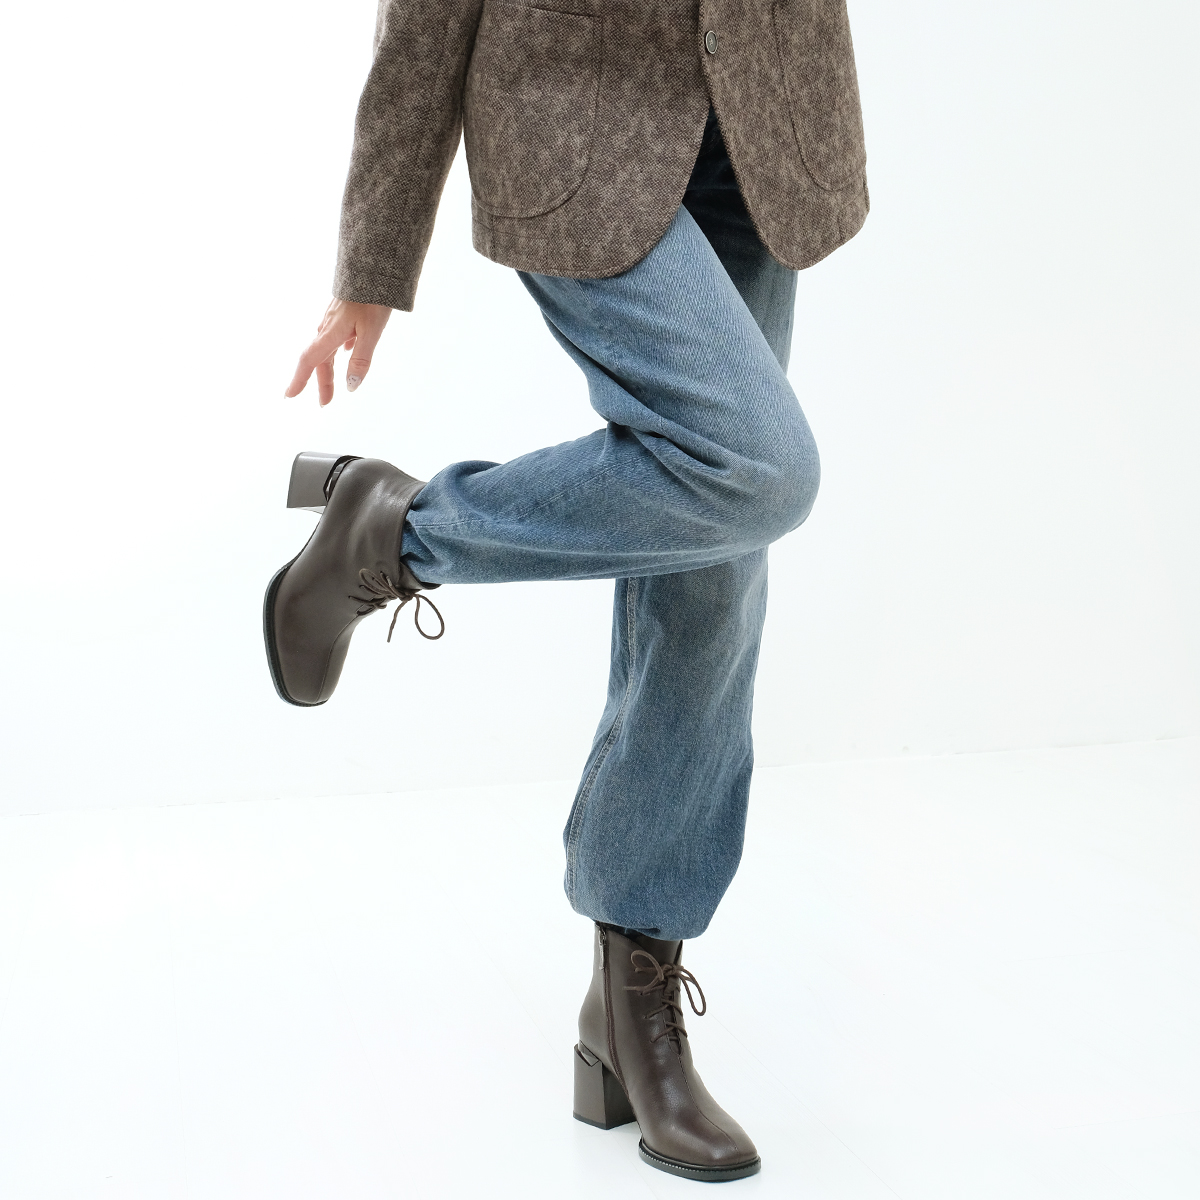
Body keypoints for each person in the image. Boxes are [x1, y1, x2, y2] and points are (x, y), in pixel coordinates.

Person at [267, 0, 867, 1182]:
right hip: (573, 124)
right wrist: (373, 262)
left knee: (710, 567)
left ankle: (631, 996)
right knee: (754, 469)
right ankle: (401, 536)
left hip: (764, 116)